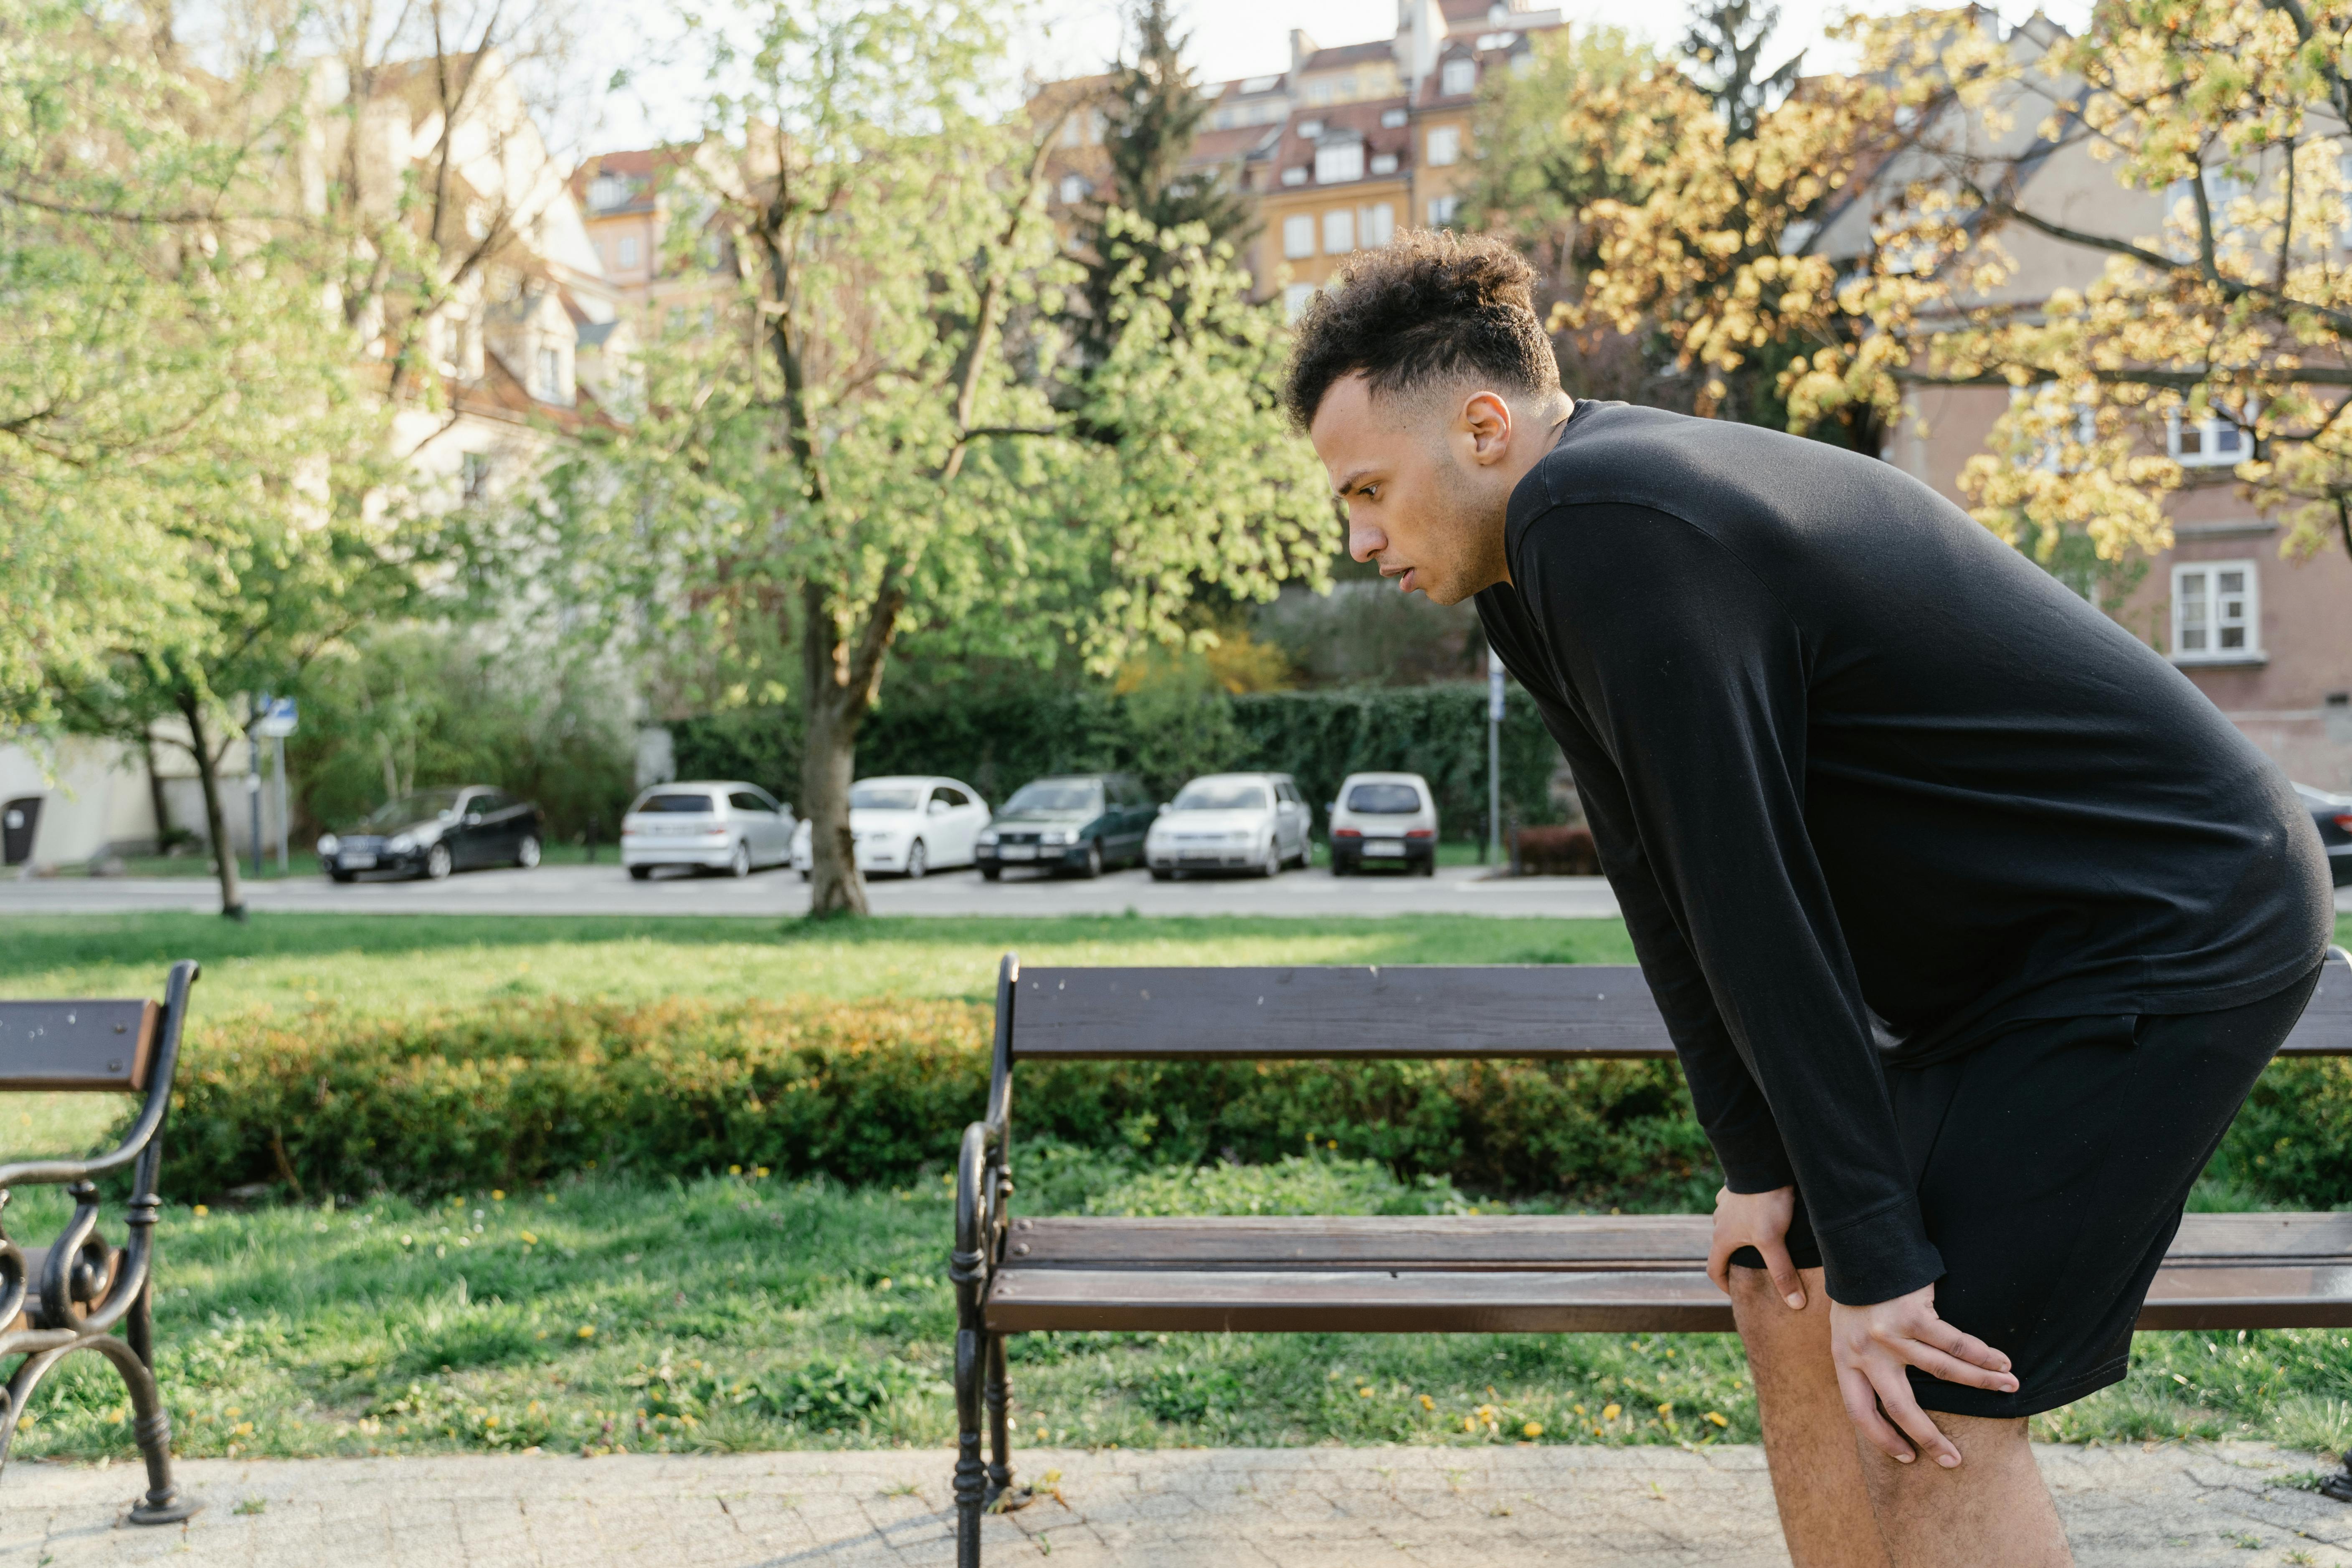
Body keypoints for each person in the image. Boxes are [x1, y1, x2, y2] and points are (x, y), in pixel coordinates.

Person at [1283, 231, 2334, 1568]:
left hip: (2168, 921)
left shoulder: (1599, 523)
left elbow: (1751, 895)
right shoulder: (1533, 569)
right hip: (2011, 971)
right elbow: (1660, 880)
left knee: (1929, 1390)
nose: (1360, 537)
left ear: (1483, 427)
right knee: (1788, 1289)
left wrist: (1889, 1260)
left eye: (1369, 489)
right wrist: (1758, 1166)